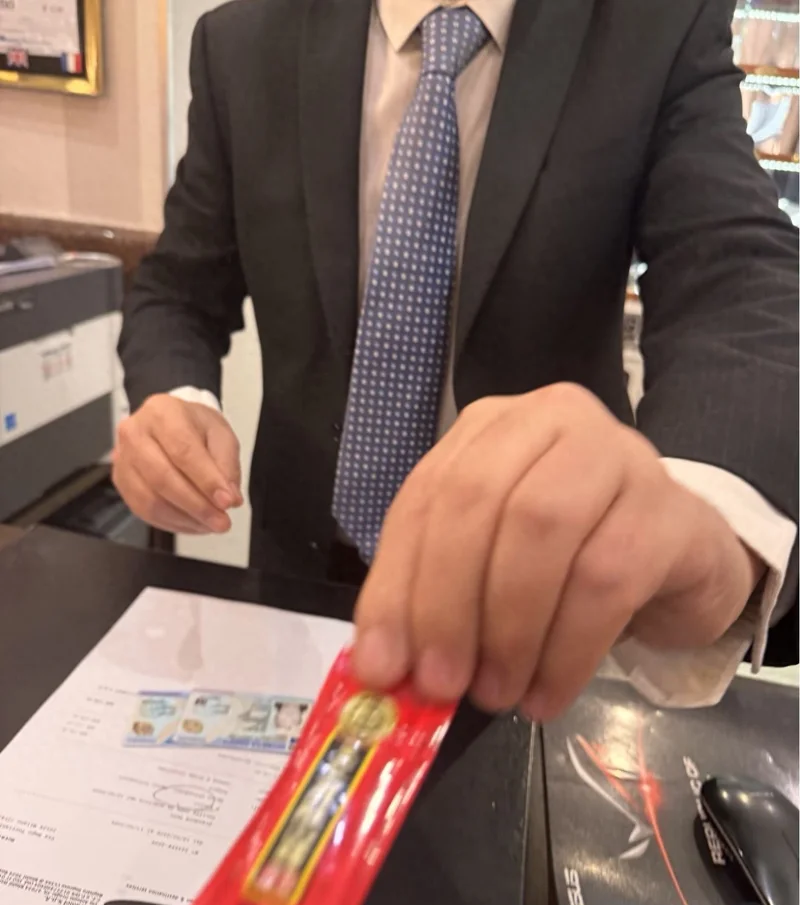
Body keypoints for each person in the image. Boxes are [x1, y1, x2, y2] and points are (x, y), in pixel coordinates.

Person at [117, 0, 798, 723]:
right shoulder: (242, 42)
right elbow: (178, 287)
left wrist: (708, 511)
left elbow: (735, 272)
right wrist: (178, 398)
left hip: (535, 598)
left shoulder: (652, 27)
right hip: (298, 573)